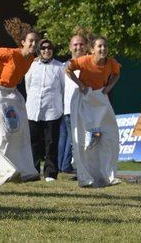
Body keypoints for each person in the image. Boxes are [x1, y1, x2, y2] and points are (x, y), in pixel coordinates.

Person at [0, 18, 40, 185]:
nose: (33, 44)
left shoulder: (30, 59)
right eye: (31, 41)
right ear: (23, 42)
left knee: (20, 132)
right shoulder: (10, 53)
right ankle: (5, 171)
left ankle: (26, 171)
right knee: (3, 132)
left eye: (36, 41)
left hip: (12, 93)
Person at [65, 35, 121, 187]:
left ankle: (108, 175)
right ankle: (85, 176)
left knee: (109, 137)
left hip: (101, 100)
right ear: (92, 50)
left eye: (105, 46)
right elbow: (68, 69)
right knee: (86, 140)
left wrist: (109, 87)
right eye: (99, 46)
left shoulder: (111, 63)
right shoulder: (84, 60)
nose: (103, 49)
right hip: (84, 100)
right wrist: (80, 84)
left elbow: (116, 73)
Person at [25, 38, 64, 182]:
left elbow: (63, 88)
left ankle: (50, 173)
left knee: (51, 143)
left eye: (49, 48)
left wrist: (60, 108)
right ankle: (33, 171)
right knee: (33, 142)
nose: (46, 50)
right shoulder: (31, 66)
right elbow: (28, 86)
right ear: (39, 50)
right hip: (33, 109)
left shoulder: (60, 67)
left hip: (52, 111)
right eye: (43, 48)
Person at [59, 32, 88, 175]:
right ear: (70, 47)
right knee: (73, 139)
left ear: (86, 46)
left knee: (79, 139)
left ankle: (66, 166)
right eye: (75, 44)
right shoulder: (64, 67)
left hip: (87, 108)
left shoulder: (90, 64)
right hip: (69, 108)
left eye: (81, 44)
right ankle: (73, 167)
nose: (78, 47)